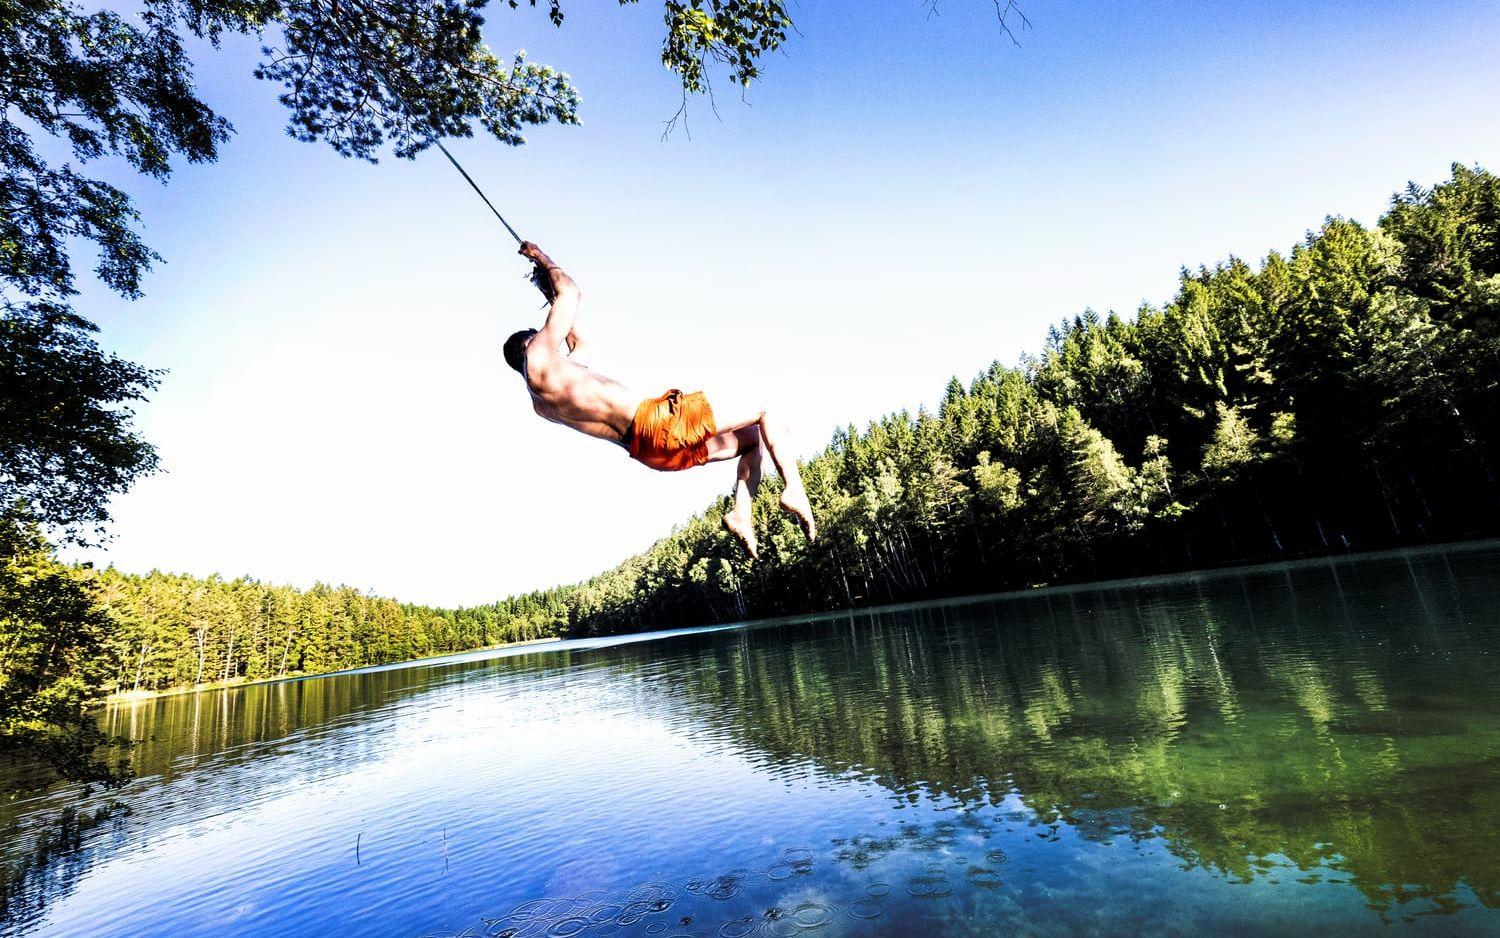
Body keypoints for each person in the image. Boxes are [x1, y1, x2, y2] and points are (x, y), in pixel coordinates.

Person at [503, 242, 816, 558]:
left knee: (751, 441)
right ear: (532, 346)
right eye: (543, 337)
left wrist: (547, 290)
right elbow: (572, 292)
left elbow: (579, 343)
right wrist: (543, 259)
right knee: (766, 406)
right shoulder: (540, 358)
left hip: (650, 453)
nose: (550, 339)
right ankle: (795, 490)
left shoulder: (543, 400)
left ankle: (741, 514)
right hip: (658, 423)